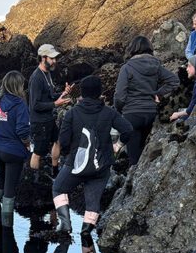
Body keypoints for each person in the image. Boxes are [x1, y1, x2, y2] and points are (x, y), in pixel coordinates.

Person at [51, 75, 134, 234]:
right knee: (92, 202)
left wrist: (69, 157)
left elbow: (64, 142)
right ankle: (86, 236)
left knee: (58, 188)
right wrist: (117, 145)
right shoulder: (110, 113)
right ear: (100, 92)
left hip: (76, 164)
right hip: (101, 167)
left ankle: (65, 224)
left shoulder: (72, 114)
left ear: (81, 93)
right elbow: (128, 130)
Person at [113, 36, 180, 166]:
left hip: (132, 114)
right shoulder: (156, 66)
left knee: (134, 158)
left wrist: (119, 111)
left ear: (133, 49)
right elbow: (174, 81)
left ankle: (132, 183)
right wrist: (158, 93)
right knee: (148, 157)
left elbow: (119, 96)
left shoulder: (127, 68)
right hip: (151, 114)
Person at [0, 71, 32, 227]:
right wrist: (27, 144)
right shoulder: (20, 104)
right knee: (10, 188)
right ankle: (7, 225)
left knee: (1, 179)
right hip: (14, 152)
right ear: (18, 86)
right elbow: (22, 131)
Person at [28, 44, 72, 177]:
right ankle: (33, 180)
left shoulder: (47, 74)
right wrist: (55, 104)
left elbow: (49, 95)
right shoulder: (36, 78)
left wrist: (62, 93)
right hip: (39, 121)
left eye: (55, 58)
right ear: (43, 58)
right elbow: (35, 105)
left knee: (57, 141)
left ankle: (55, 171)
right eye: (52, 58)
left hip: (49, 118)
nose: (55, 61)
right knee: (38, 152)